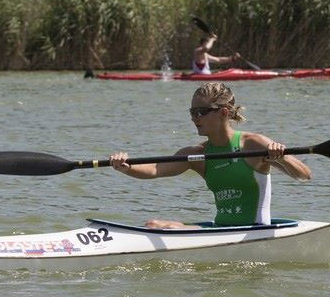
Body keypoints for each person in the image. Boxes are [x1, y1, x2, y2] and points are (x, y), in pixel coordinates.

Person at [109, 82, 311, 229]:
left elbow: (304, 175)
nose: (194, 118)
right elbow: (156, 169)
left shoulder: (253, 144)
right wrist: (126, 167)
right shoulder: (198, 154)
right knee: (153, 226)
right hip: (220, 228)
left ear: (223, 113)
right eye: (192, 112)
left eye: (201, 112)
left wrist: (281, 157)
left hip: (255, 230)